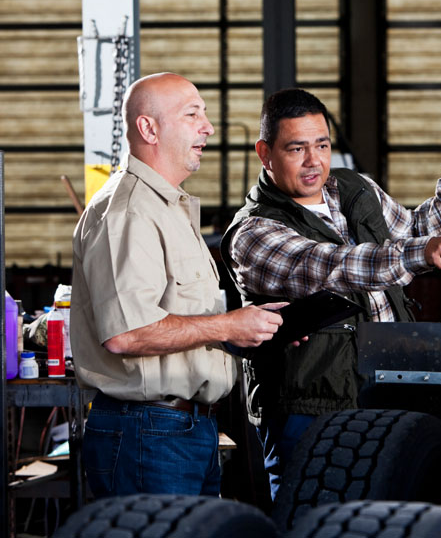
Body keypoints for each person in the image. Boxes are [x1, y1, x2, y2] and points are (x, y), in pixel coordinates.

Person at [220, 88, 441, 499]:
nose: (314, 161)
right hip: (311, 410)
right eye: (297, 148)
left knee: (395, 516)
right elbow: (334, 266)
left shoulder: (352, 189)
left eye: (322, 145)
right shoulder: (253, 233)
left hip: (391, 390)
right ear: (265, 153)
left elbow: (418, 231)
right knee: (317, 520)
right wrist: (419, 252)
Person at [71, 72, 288, 498]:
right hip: (147, 434)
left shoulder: (168, 208)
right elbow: (126, 333)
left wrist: (250, 330)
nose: (207, 127)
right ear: (148, 128)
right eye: (192, 115)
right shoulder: (128, 214)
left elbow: (182, 320)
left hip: (182, 431)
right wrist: (227, 327)